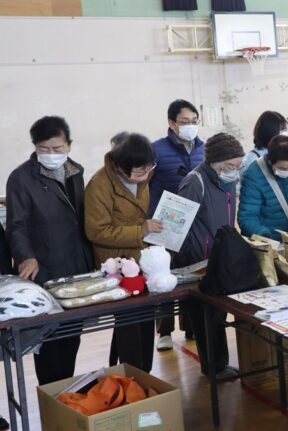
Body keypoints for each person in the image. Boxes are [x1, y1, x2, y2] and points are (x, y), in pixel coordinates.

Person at [5, 116, 93, 385]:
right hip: (44, 267)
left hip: (76, 265)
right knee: (48, 340)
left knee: (72, 334)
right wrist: (25, 256)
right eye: (44, 149)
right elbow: (16, 225)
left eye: (57, 149)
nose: (51, 155)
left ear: (69, 145)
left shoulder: (75, 172)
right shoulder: (21, 178)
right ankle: (50, 392)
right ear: (34, 147)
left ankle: (64, 391)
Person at [85, 134, 162, 372]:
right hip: (115, 264)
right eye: (139, 172)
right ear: (120, 167)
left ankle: (145, 373)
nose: (145, 175)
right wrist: (141, 230)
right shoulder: (99, 185)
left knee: (146, 317)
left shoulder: (143, 176)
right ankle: (133, 377)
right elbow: (97, 231)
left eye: (149, 168)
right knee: (129, 323)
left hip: (140, 258)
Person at [176, 133, 244, 380]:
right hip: (197, 261)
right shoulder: (195, 182)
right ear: (216, 162)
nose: (234, 171)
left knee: (217, 313)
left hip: (219, 258)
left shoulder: (226, 181)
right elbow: (177, 226)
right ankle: (213, 367)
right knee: (204, 316)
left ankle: (219, 364)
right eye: (230, 166)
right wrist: (190, 256)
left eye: (238, 166)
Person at [150, 99, 205, 351]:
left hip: (195, 225)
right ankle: (164, 331)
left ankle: (191, 325)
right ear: (172, 123)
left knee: (191, 275)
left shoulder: (204, 149)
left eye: (194, 122)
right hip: (164, 225)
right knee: (164, 276)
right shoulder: (157, 150)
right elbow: (145, 186)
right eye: (184, 122)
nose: (190, 126)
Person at [239, 135, 288, 240]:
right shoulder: (254, 175)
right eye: (282, 168)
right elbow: (247, 216)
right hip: (267, 237)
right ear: (270, 162)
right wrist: (263, 235)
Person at [241, 110, 288, 175]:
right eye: (281, 130)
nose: (284, 134)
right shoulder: (252, 159)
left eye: (285, 130)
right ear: (269, 132)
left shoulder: (283, 153)